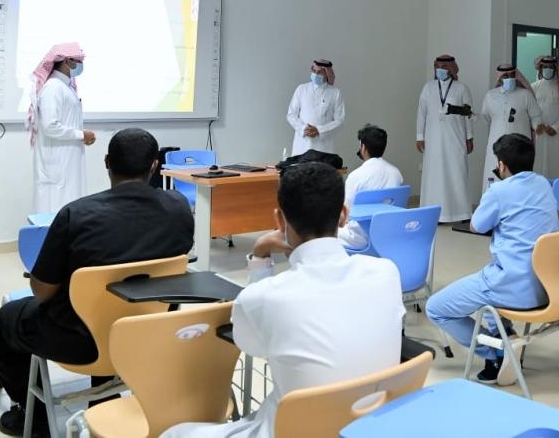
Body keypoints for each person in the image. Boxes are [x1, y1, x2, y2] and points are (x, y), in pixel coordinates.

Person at [161, 162, 404, 438]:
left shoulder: (265, 296)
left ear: (279, 220)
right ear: (343, 215)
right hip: (370, 428)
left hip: (291, 430)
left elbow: (250, 345)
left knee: (174, 433)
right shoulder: (387, 272)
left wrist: (259, 257)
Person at [0, 128, 194, 437]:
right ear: (155, 165)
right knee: (117, 301)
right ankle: (105, 399)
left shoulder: (76, 215)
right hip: (146, 334)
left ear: (107, 162)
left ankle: (35, 418)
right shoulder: (178, 208)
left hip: (79, 343)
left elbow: (41, 291)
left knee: (7, 319)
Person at [426, 134, 558, 385]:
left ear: (501, 165)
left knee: (436, 309)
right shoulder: (543, 184)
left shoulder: (499, 191)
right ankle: (506, 337)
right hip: (547, 286)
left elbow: (476, 226)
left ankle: (497, 353)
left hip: (510, 284)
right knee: (489, 301)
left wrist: (493, 195)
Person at [27, 42, 96, 214]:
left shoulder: (65, 87)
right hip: (56, 165)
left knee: (68, 206)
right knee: (53, 210)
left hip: (67, 162)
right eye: (78, 60)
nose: (80, 65)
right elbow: (50, 126)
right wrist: (81, 135)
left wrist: (81, 136)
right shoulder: (53, 88)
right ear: (66, 61)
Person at [416, 54, 474, 223]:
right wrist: (419, 136)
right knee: (434, 176)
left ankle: (462, 213)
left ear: (452, 69)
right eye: (438, 67)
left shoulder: (462, 88)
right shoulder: (428, 87)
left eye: (444, 67)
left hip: (456, 138)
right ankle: (435, 214)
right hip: (432, 139)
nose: (440, 70)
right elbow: (421, 113)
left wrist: (469, 137)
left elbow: (468, 115)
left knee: (457, 173)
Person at [338, 125, 404, 249]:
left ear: (363, 147)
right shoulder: (396, 173)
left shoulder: (356, 176)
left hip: (360, 238)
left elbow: (345, 216)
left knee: (320, 229)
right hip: (388, 234)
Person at [480, 64, 542, 193]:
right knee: (494, 178)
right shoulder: (490, 95)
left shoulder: (526, 95)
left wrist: (537, 130)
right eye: (505, 76)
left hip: (519, 146)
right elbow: (485, 118)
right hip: (496, 144)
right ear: (499, 78)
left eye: (512, 75)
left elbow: (536, 117)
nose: (509, 78)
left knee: (518, 178)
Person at [285, 58, 345, 156]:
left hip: (323, 147)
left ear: (327, 73)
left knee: (322, 166)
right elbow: (291, 115)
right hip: (302, 145)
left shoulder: (335, 93)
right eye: (314, 71)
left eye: (319, 72)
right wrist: (304, 128)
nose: (316, 74)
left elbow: (339, 121)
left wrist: (319, 130)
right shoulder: (302, 89)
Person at [531, 55, 559, 180]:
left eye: (550, 67)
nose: (548, 69)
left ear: (555, 69)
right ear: (540, 69)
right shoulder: (534, 87)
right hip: (539, 133)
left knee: (557, 164)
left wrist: (555, 127)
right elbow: (530, 110)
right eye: (545, 67)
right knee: (538, 165)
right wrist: (536, 125)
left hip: (556, 133)